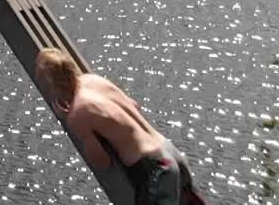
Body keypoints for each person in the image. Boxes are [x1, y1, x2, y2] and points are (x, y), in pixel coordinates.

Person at [35, 48, 207, 205]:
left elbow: (101, 160)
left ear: (52, 83)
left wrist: (68, 118)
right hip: (169, 151)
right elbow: (134, 104)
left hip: (156, 169)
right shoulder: (94, 80)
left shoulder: (77, 114)